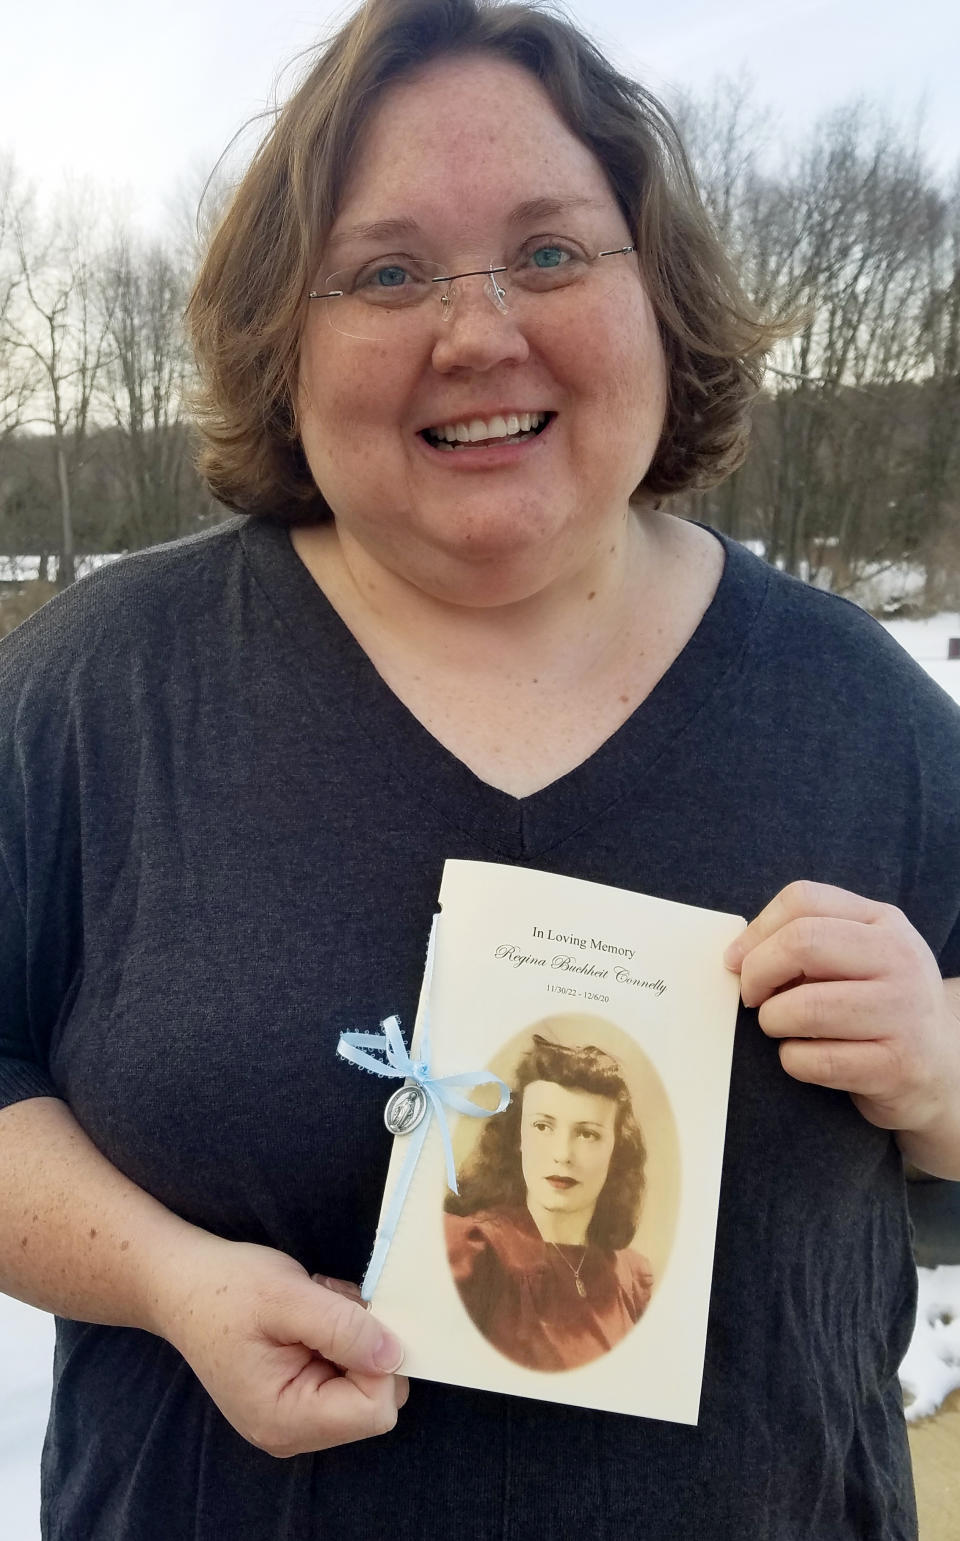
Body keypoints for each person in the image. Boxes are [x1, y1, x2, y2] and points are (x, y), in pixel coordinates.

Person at [1, 0, 959, 1536]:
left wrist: (938, 1066)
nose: (480, 329)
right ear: (284, 337)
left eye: (552, 252)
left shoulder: (857, 706)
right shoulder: (95, 693)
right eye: (387, 272)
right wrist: (163, 1279)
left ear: (661, 299)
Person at [444, 1031, 653, 1371]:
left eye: (587, 1134)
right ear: (519, 1138)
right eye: (543, 1127)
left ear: (616, 1150)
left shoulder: (632, 1278)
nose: (562, 1155)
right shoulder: (471, 1250)